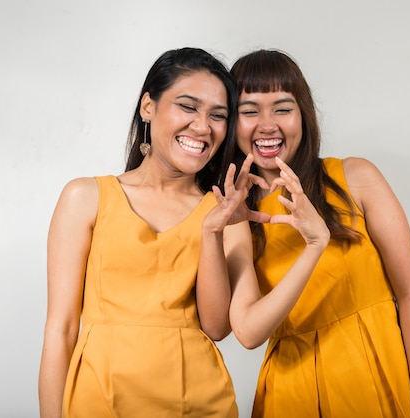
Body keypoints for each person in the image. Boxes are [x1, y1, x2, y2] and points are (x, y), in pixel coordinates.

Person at [38, 47, 269, 417]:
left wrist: (211, 231)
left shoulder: (226, 213)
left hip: (200, 402)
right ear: (148, 107)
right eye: (188, 107)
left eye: (218, 115)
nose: (202, 126)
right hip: (97, 402)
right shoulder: (85, 197)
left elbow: (217, 326)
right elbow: (61, 330)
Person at [224, 49, 410, 418]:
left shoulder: (357, 178)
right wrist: (315, 244)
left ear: (303, 116)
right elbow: (247, 332)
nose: (267, 124)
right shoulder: (236, 217)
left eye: (282, 108)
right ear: (232, 122)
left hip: (376, 372)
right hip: (292, 393)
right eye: (249, 111)